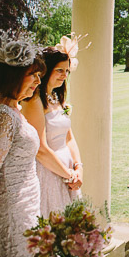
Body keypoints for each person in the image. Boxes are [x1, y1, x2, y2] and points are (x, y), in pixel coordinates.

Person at [0, 31, 45, 257]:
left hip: (26, 205)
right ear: (13, 77)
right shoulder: (3, 115)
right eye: (33, 75)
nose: (38, 81)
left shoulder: (11, 108)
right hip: (13, 213)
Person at [22, 44, 84, 216]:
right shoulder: (34, 102)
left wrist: (79, 168)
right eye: (59, 70)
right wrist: (69, 175)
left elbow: (69, 138)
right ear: (46, 70)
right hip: (47, 172)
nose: (65, 75)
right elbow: (40, 149)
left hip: (67, 170)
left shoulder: (57, 97)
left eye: (67, 71)